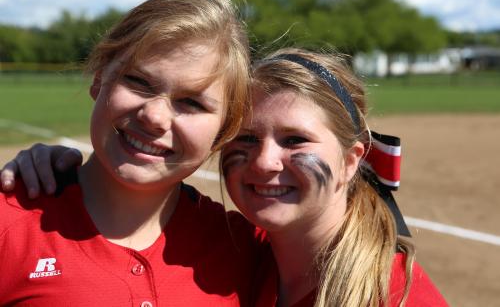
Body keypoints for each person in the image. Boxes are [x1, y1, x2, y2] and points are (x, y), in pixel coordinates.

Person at [1, 47, 449, 306]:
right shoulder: (241, 253)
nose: (264, 162)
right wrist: (61, 168)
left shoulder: (391, 291)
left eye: (295, 140)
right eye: (247, 139)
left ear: (352, 160)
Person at [0, 0, 263, 306]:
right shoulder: (10, 225)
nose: (154, 116)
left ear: (226, 128)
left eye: (191, 102)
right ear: (98, 79)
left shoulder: (248, 249)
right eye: (138, 81)